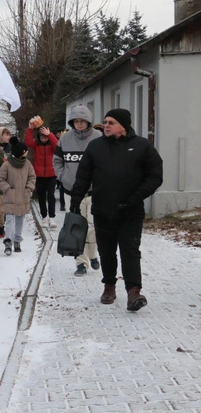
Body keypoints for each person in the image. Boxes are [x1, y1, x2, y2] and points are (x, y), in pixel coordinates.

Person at [69, 109, 163, 311]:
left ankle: (133, 292)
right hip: (103, 209)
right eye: (105, 122)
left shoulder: (142, 146)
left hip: (131, 211)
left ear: (124, 125)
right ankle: (109, 286)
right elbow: (83, 176)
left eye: (111, 122)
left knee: (130, 251)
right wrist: (76, 198)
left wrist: (136, 197)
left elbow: (155, 175)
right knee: (107, 251)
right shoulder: (95, 147)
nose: (107, 125)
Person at [53, 105, 103, 276]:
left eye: (82, 121)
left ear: (88, 121)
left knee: (92, 227)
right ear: (72, 122)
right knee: (76, 227)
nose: (79, 124)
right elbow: (57, 161)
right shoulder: (65, 140)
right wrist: (63, 176)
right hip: (71, 191)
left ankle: (93, 254)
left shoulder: (99, 138)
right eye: (76, 121)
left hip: (94, 192)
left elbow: (106, 161)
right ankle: (81, 263)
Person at [0, 138, 36, 255]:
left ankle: (17, 240)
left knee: (20, 219)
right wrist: (8, 189)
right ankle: (8, 240)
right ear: (21, 152)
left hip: (23, 196)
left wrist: (29, 188)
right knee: (9, 219)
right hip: (10, 197)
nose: (27, 152)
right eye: (25, 150)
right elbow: (0, 179)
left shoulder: (27, 164)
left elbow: (32, 177)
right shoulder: (7, 165)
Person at [25, 118, 58, 228]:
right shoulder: (36, 144)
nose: (43, 139)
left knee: (51, 196)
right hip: (39, 175)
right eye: (42, 137)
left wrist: (50, 135)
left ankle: (52, 217)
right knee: (41, 196)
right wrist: (30, 128)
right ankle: (44, 217)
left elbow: (57, 145)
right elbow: (28, 142)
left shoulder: (52, 144)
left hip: (51, 174)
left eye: (45, 137)